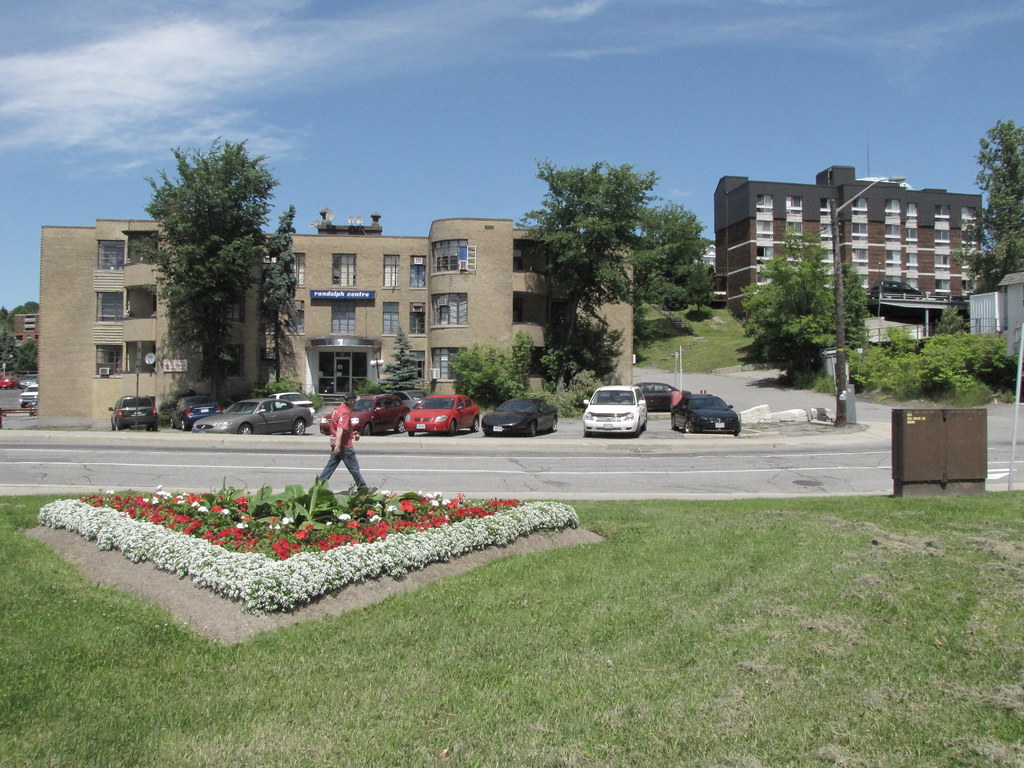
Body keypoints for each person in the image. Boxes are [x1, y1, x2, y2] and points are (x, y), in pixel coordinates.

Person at [317, 392, 369, 491]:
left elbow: (338, 426)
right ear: (352, 402)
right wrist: (338, 445)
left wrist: (352, 433)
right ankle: (363, 488)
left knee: (330, 466)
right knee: (354, 468)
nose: (355, 403)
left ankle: (318, 486)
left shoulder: (338, 409)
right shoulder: (345, 412)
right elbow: (340, 429)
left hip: (335, 441)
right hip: (343, 444)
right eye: (355, 401)